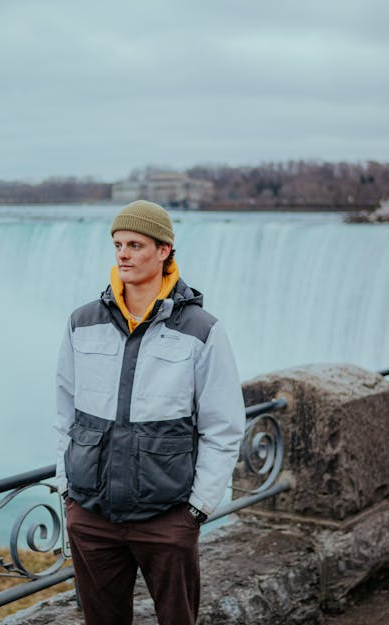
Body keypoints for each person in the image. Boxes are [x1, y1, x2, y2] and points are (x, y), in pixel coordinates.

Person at [54, 200, 245, 625]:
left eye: (135, 244)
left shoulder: (201, 330)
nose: (122, 253)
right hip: (91, 515)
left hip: (167, 517)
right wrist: (68, 492)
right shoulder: (82, 322)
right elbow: (64, 412)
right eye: (118, 244)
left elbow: (224, 426)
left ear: (164, 251)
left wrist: (197, 509)